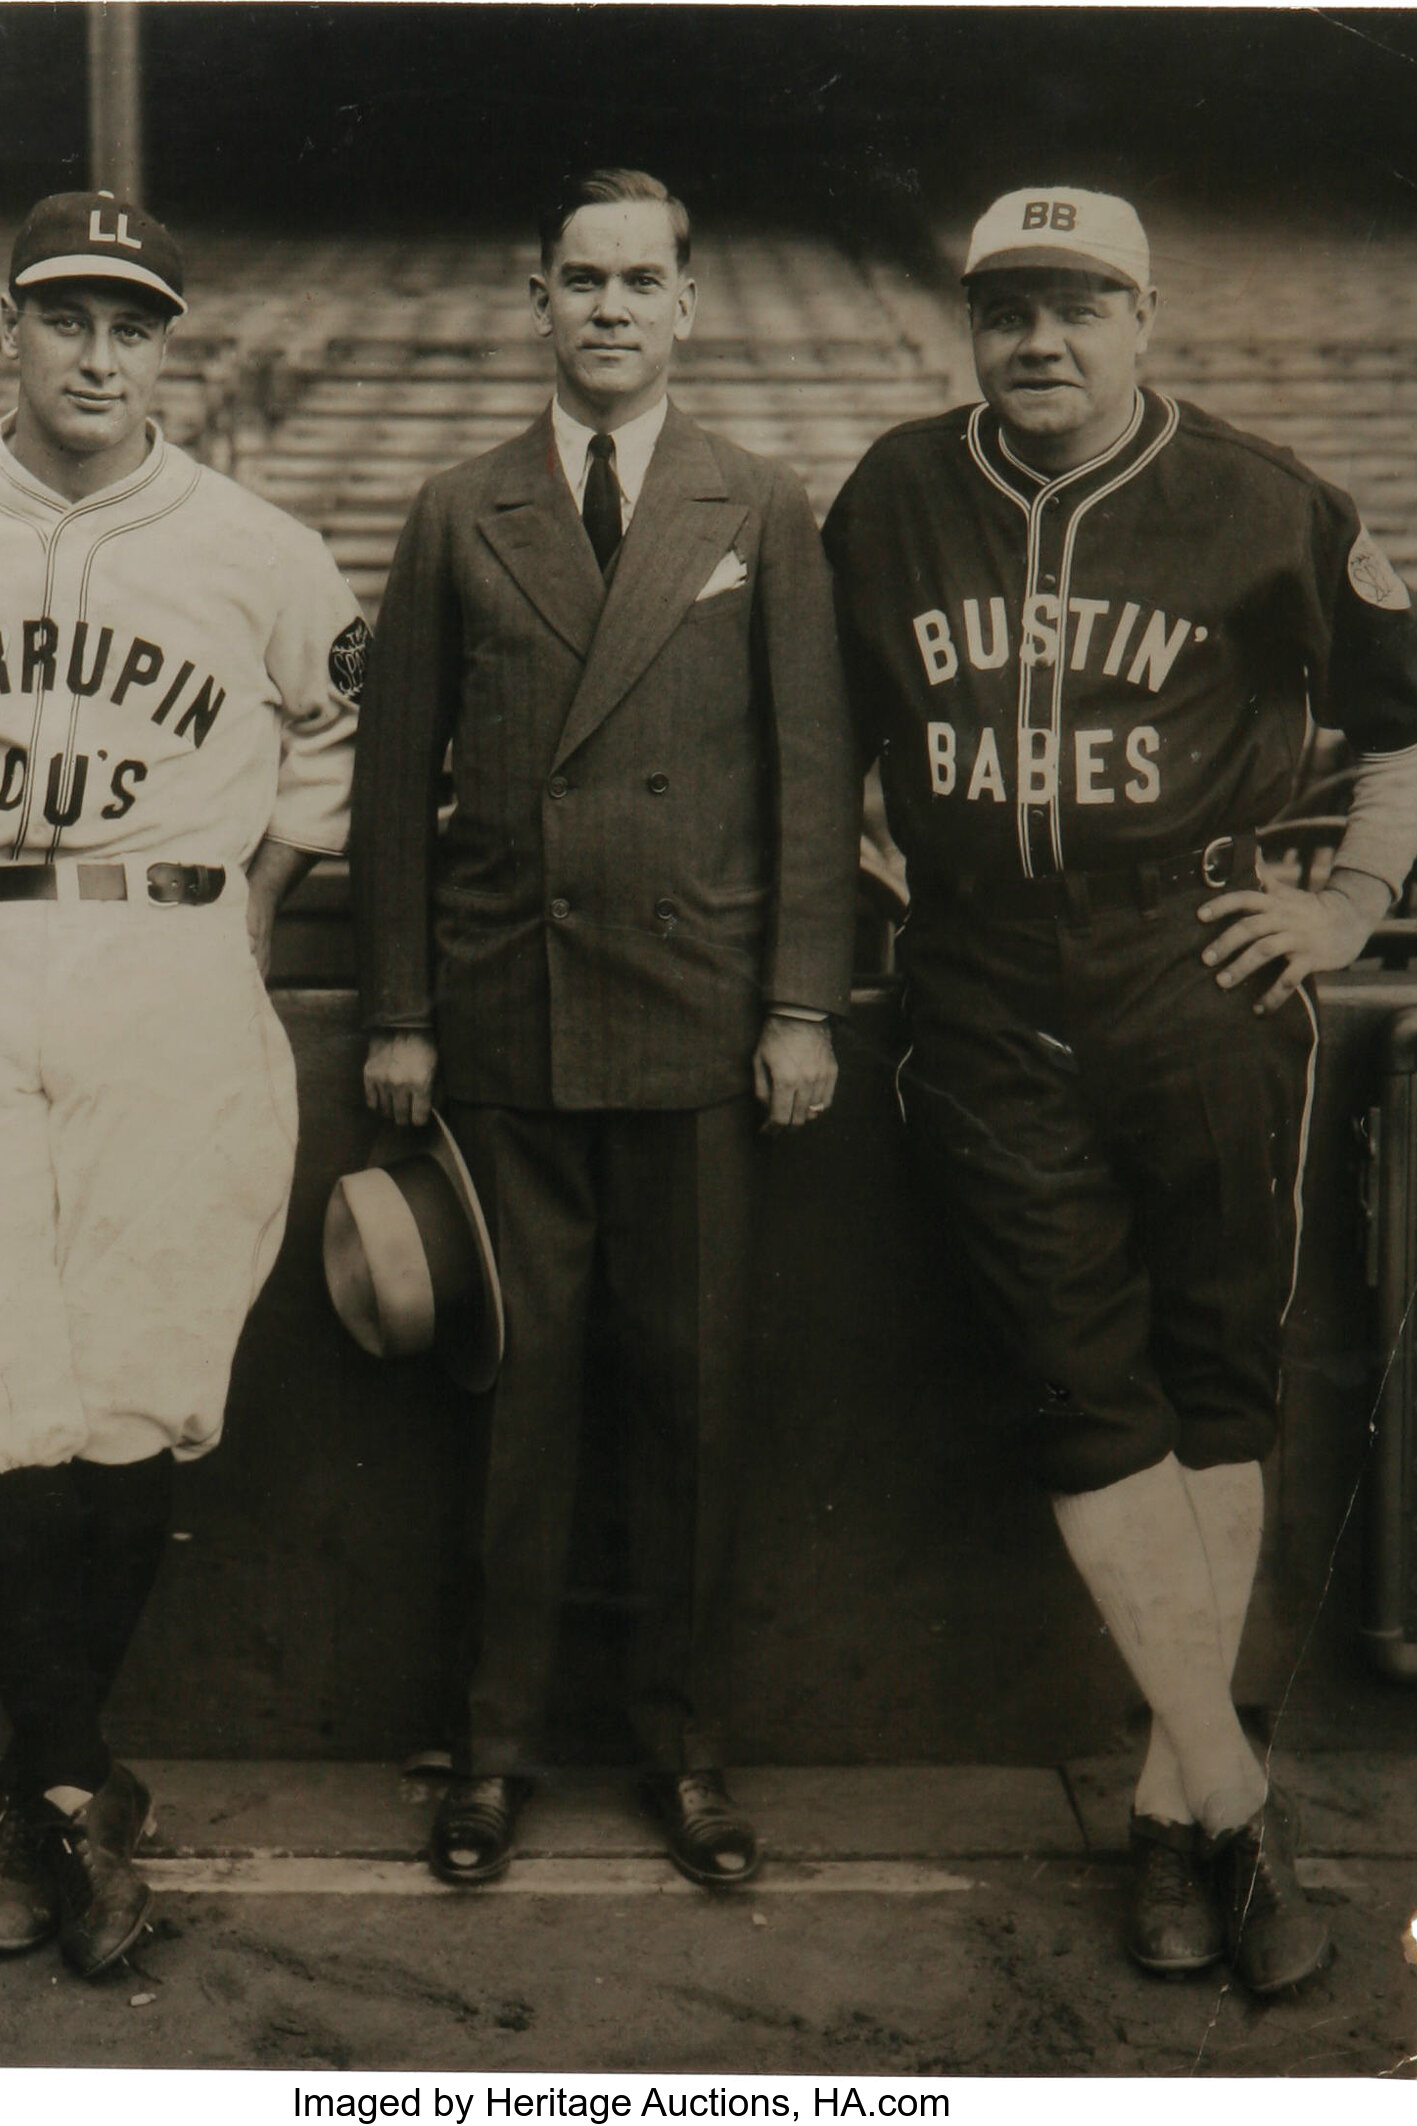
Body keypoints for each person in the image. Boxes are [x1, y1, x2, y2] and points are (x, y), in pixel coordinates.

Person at [823, 187, 1417, 1991]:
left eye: (1077, 305)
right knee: (1079, 1389)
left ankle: (1174, 1810)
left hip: (1191, 963)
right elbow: (819, 737)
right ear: (971, 326)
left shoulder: (1261, 496)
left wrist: (1343, 896)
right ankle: (1229, 1794)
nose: (1039, 339)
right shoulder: (890, 493)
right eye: (1008, 308)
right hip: (973, 974)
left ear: (1145, 319)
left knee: (1213, 1387)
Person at [0, 191, 365, 1976]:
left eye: (133, 322)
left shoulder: (258, 545)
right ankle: (77, 1787)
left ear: (168, 342)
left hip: (170, 954)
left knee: (136, 1379)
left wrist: (246, 911)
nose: (99, 354)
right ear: (6, 327)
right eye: (67, 317)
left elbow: (328, 742)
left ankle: (47, 1789)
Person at [354, 168, 859, 1887]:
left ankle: (688, 1749)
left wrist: (800, 1003)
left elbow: (810, 778)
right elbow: (389, 789)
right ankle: (489, 1755)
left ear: (689, 306)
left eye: (642, 282)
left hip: (705, 1029)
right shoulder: (452, 508)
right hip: (505, 1027)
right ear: (536, 298)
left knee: (690, 1402)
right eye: (582, 280)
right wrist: (403, 1014)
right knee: (515, 1406)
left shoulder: (761, 503)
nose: (611, 309)